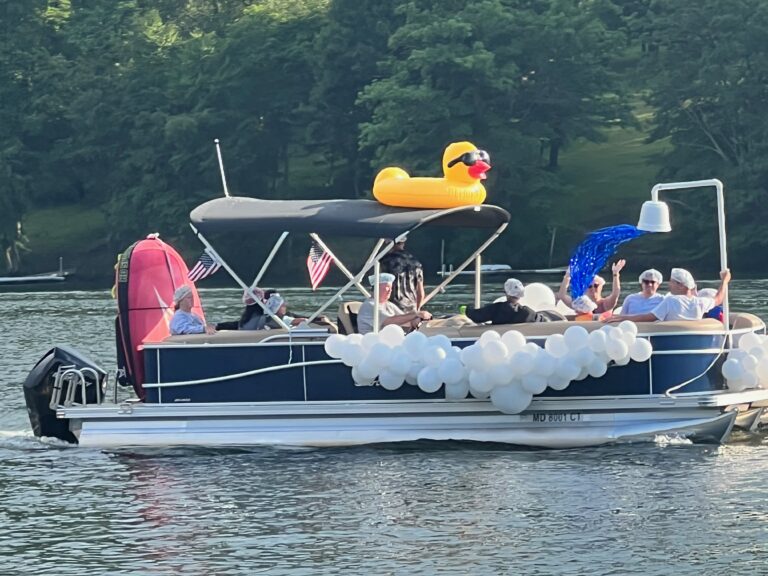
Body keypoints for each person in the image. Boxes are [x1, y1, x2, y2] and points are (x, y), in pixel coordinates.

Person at [609, 268, 731, 322]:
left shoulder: (670, 301)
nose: (669, 285)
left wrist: (621, 318)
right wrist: (724, 281)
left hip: (670, 341)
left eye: (672, 282)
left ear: (681, 285)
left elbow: (648, 317)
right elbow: (719, 298)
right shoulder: (701, 302)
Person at [357, 273, 432, 334]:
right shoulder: (370, 305)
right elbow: (389, 321)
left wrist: (417, 320)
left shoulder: (389, 305)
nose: (390, 290)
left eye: (391, 288)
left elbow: (404, 319)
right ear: (377, 288)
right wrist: (416, 314)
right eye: (387, 287)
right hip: (374, 343)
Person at [557, 259, 626, 314]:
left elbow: (615, 294)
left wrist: (616, 274)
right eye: (589, 286)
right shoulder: (580, 304)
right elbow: (562, 296)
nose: (593, 289)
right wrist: (568, 275)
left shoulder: (605, 304)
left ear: (600, 287)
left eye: (596, 286)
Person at [379, 238, 425, 313]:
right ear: (403, 243)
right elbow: (420, 293)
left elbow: (380, 288)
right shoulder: (416, 262)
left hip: (392, 308)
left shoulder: (385, 261)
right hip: (411, 309)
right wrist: (417, 310)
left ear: (388, 244)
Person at [463, 278, 536, 325]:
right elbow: (542, 320)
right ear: (521, 295)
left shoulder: (496, 309)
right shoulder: (528, 312)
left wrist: (466, 309)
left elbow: (477, 317)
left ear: (506, 293)